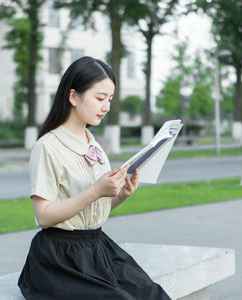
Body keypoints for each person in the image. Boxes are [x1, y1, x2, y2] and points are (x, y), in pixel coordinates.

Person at [18, 56, 170, 300]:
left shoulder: (94, 146)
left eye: (110, 99)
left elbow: (92, 210)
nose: (107, 106)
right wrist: (96, 191)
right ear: (73, 97)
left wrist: (120, 194)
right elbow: (44, 216)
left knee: (152, 295)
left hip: (97, 247)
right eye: (100, 98)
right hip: (59, 258)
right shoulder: (47, 147)